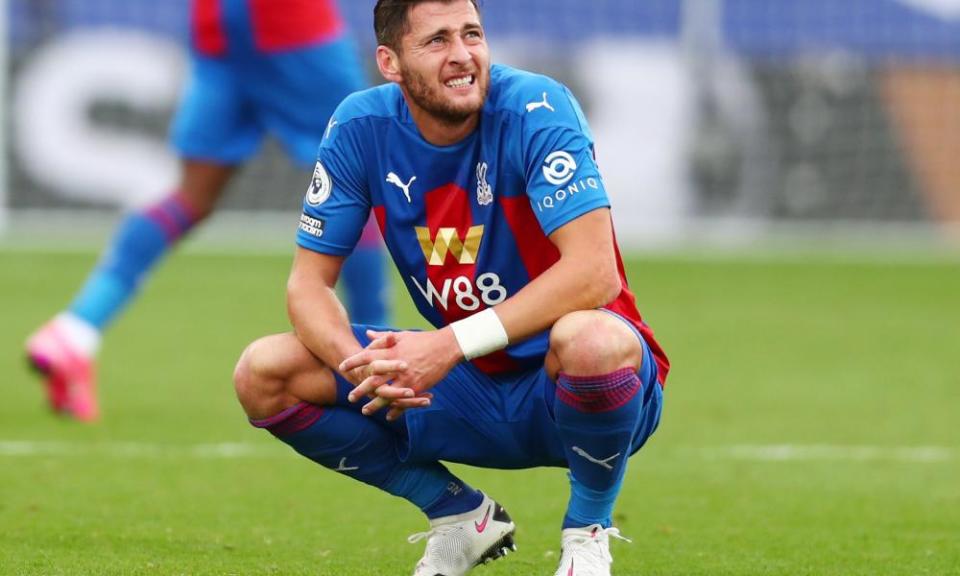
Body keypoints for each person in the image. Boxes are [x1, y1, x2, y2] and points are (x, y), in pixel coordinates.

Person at [233, 0, 670, 574]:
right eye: (438, 40)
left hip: (574, 380)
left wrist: (445, 345)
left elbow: (594, 273)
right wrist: (360, 369)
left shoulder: (538, 108)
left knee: (590, 338)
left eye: (473, 34)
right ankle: (459, 516)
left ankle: (586, 535)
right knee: (264, 371)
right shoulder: (360, 126)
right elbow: (307, 285)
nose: (463, 55)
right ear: (390, 62)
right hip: (467, 385)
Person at [25, 0, 389, 421]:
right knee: (360, 177)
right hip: (288, 22)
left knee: (190, 198)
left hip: (218, 25)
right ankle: (374, 361)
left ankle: (76, 330)